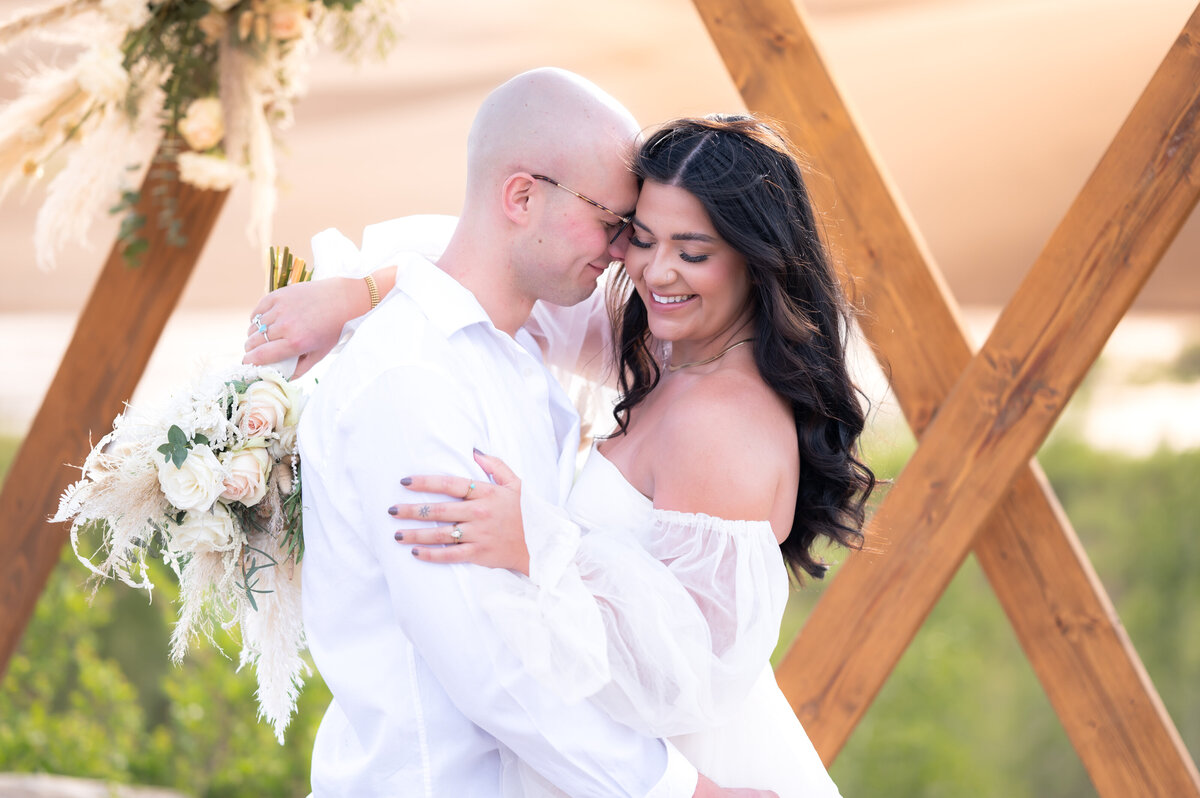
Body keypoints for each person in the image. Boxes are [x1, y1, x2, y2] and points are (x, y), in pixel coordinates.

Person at [248, 114, 874, 796]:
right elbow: (493, 260)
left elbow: (695, 668)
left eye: (692, 252)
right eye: (638, 237)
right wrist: (357, 293)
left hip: (701, 768)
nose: (654, 271)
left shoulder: (722, 423)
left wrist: (541, 543)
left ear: (755, 259)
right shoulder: (668, 345)